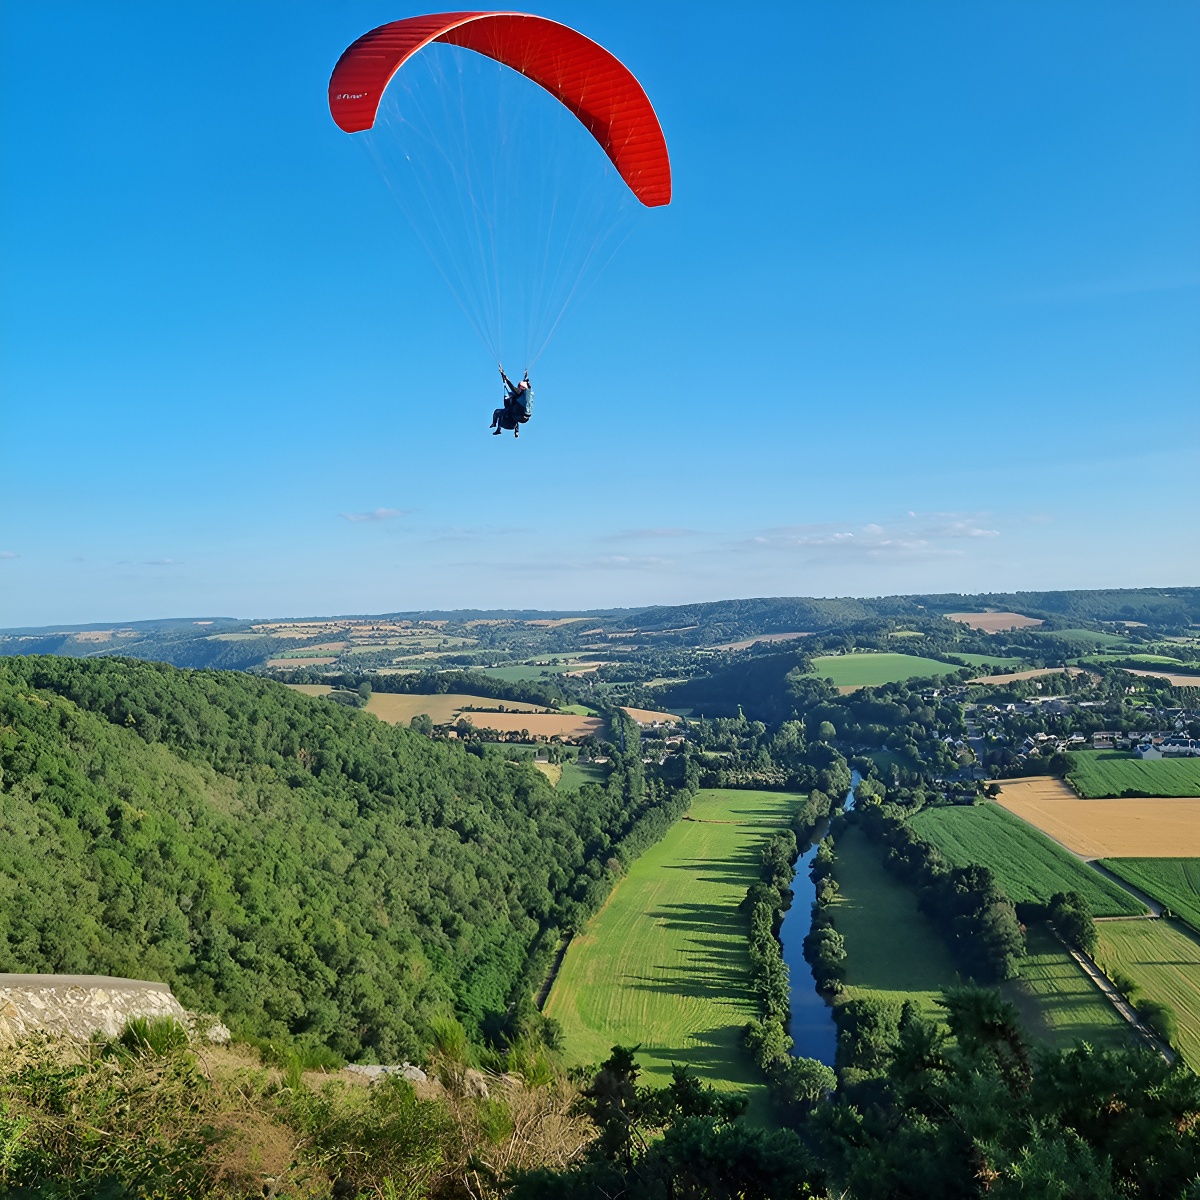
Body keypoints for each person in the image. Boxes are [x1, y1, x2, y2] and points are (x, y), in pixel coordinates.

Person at [491, 368, 533, 437]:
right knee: (513, 416)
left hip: (517, 415)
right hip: (524, 416)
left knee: (499, 412)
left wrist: (504, 376)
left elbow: (510, 385)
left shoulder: (517, 393)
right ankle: (516, 431)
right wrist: (526, 376)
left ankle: (496, 426)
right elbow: (525, 385)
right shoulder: (524, 394)